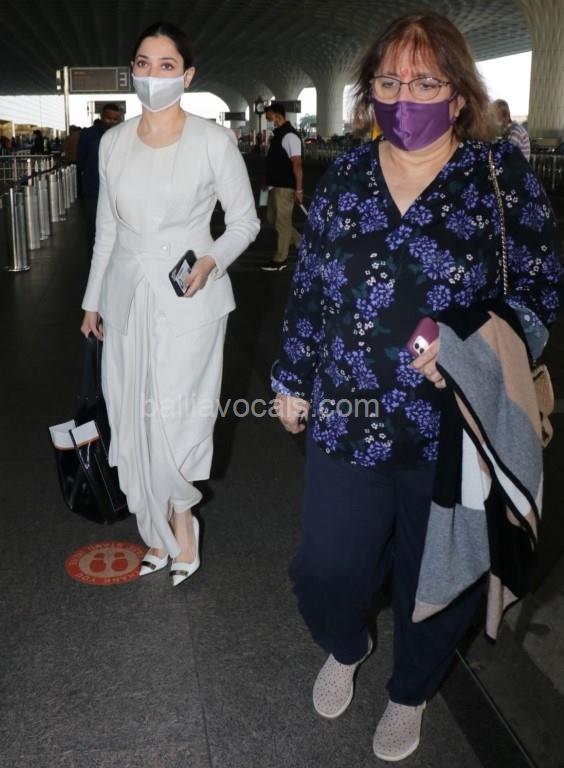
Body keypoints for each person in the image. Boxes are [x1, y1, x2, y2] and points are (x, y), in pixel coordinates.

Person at [272, 11, 561, 763]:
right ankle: (346, 642)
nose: (405, 97)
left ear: (459, 94)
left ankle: (410, 692)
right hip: (348, 413)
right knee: (327, 566)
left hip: (454, 427)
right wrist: (291, 377)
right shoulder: (346, 179)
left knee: (441, 576)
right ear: (370, 90)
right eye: (390, 81)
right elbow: (311, 287)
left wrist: (472, 346)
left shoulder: (499, 182)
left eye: (426, 82)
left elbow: (539, 292)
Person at [80, 22, 259, 586]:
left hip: (190, 297)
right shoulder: (113, 142)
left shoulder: (212, 141)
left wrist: (211, 261)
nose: (152, 75)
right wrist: (92, 301)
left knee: (178, 419)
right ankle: (156, 531)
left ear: (187, 75)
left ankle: (183, 522)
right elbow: (107, 231)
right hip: (126, 295)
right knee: (131, 415)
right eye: (142, 63)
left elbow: (245, 222)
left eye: (165, 65)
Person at [261, 101, 303, 271]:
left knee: (282, 223)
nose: (268, 121)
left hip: (285, 188)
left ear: (277, 116)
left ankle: (280, 259)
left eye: (269, 118)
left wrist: (299, 189)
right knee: (272, 218)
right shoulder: (279, 135)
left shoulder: (290, 136)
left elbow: (297, 164)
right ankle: (300, 242)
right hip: (275, 186)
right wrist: (267, 181)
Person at [77, 104, 123, 256]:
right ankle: (94, 259)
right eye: (109, 118)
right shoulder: (88, 134)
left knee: (117, 227)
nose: (111, 122)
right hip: (93, 190)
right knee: (94, 227)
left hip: (116, 190)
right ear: (102, 116)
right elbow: (81, 160)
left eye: (115, 119)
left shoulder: (122, 134)